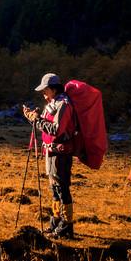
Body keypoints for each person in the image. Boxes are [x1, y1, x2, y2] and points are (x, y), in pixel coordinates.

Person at [23, 73, 76, 239]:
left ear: (53, 89)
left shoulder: (64, 105)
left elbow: (56, 130)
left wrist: (37, 120)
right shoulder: (53, 103)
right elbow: (45, 125)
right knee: (54, 188)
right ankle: (55, 222)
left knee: (61, 188)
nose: (43, 93)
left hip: (61, 153)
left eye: (45, 90)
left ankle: (67, 226)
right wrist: (33, 118)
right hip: (51, 151)